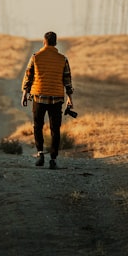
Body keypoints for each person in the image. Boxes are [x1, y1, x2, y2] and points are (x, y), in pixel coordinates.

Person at [21, 31, 74, 169]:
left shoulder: (36, 57)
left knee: (37, 126)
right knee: (55, 129)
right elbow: (67, 80)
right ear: (55, 43)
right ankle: (53, 159)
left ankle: (40, 154)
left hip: (39, 97)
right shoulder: (62, 59)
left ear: (44, 41)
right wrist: (70, 98)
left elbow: (28, 76)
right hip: (56, 98)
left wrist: (25, 94)